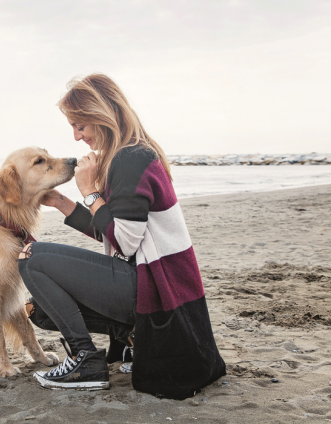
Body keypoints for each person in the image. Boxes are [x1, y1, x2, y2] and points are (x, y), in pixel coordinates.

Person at [17, 74, 226, 399]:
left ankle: (85, 361)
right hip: (158, 285)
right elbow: (117, 230)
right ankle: (133, 339)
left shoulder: (130, 159)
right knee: (40, 310)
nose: (76, 137)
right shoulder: (131, 154)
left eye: (80, 125)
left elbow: (125, 241)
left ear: (101, 114)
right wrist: (60, 202)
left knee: (32, 258)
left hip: (157, 289)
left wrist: (89, 191)